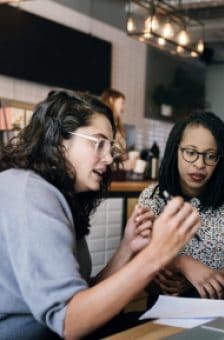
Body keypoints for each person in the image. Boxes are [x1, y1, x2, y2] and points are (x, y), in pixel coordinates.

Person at [0, 90, 200, 339]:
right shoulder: (29, 191)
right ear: (61, 141)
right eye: (98, 143)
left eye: (110, 146)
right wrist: (155, 255)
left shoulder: (53, 194)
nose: (108, 158)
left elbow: (81, 299)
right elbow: (70, 321)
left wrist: (127, 248)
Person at [139, 111, 224, 301]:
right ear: (175, 151)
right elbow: (140, 271)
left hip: (220, 302)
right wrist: (180, 265)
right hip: (166, 307)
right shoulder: (153, 197)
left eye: (210, 156)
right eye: (191, 153)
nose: (200, 164)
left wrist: (202, 279)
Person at [100, 88, 127, 159]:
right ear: (111, 100)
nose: (123, 109)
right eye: (122, 103)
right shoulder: (103, 124)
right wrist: (124, 165)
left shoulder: (117, 125)